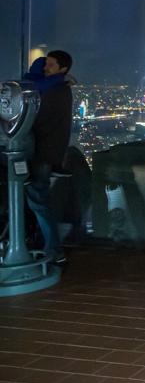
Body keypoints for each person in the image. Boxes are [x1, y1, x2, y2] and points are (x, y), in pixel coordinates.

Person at [23, 50, 74, 263]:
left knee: (38, 201)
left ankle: (53, 249)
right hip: (43, 154)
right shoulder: (55, 87)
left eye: (51, 65)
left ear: (62, 69)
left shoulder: (55, 92)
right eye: (46, 64)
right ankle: (42, 243)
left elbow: (35, 122)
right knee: (35, 200)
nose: (46, 68)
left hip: (41, 154)